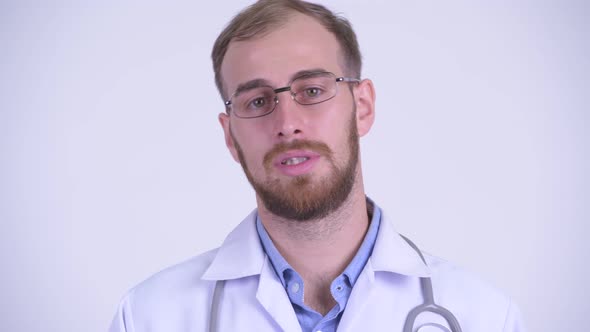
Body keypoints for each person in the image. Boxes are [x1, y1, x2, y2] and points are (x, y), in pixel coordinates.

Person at [109, 1, 526, 331]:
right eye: (256, 101)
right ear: (229, 135)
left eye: (311, 90)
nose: (287, 123)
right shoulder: (148, 317)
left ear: (362, 107)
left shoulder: (485, 317)